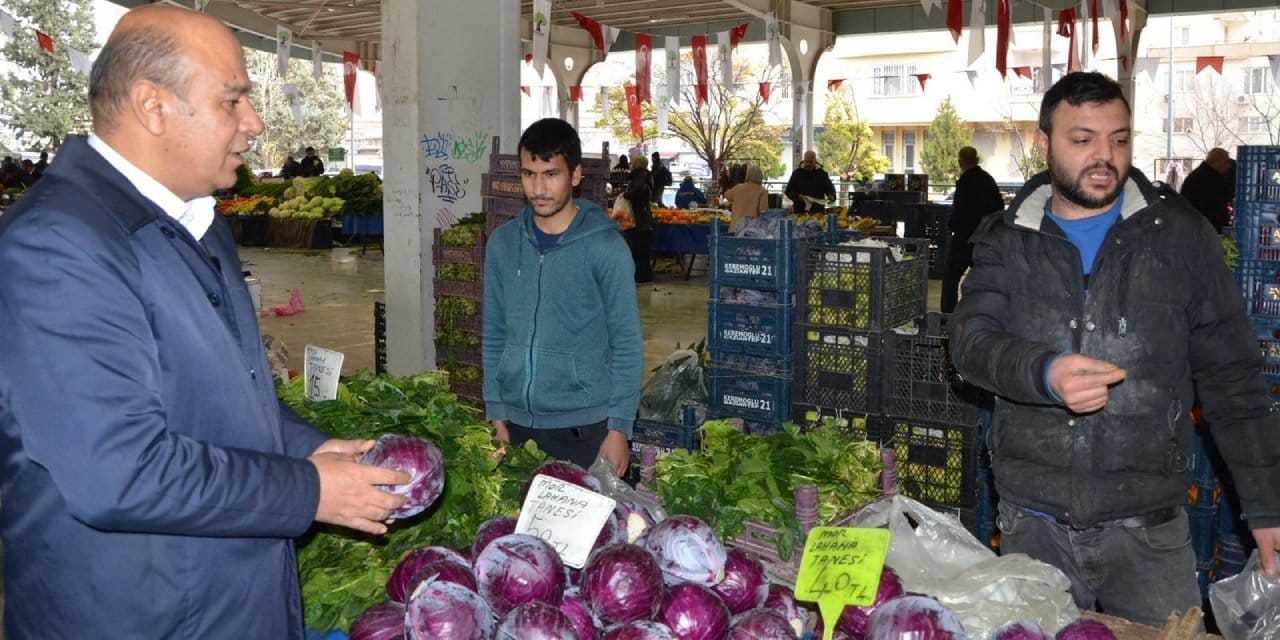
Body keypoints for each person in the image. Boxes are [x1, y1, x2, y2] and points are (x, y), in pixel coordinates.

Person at [0, 6, 410, 637]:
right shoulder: (58, 245)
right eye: (233, 100)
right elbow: (117, 469)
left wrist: (308, 447)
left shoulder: (197, 220)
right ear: (153, 106)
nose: (255, 122)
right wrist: (308, 490)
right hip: (143, 616)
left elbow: (220, 400)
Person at [950, 71, 1280, 628]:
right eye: (1082, 140)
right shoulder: (1005, 238)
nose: (1104, 156)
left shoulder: (1180, 236)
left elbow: (1233, 380)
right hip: (1033, 523)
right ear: (1044, 142)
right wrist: (1045, 372)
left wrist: (1268, 508)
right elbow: (969, 343)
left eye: (1119, 139)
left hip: (1151, 529)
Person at [482, 117, 641, 479]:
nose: (538, 188)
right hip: (515, 426)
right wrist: (495, 410)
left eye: (551, 174)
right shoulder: (503, 244)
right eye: (528, 174)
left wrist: (619, 428)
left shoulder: (606, 248)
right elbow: (493, 333)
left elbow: (626, 342)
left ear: (576, 174)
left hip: (584, 428)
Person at [941, 146, 1004, 313]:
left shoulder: (965, 182)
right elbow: (999, 208)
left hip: (964, 238)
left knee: (950, 278)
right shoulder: (988, 180)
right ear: (977, 160)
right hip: (985, 238)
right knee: (983, 279)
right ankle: (982, 312)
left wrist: (953, 226)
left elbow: (959, 211)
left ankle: (947, 316)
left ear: (960, 162)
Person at [1180, 147, 1233, 234]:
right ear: (1217, 162)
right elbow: (1212, 210)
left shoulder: (1199, 176)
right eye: (1226, 162)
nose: (1229, 166)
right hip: (1206, 230)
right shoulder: (1209, 180)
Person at [625, 155, 655, 284]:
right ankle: (645, 276)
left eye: (632, 162)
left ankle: (641, 277)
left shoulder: (639, 177)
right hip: (644, 218)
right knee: (643, 250)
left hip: (638, 219)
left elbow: (637, 193)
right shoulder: (647, 176)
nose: (630, 164)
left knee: (638, 249)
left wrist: (625, 194)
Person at [722, 165, 770, 232]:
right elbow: (763, 211)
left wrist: (727, 189)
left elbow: (727, 196)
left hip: (735, 228)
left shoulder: (738, 187)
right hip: (751, 231)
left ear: (747, 175)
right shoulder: (762, 191)